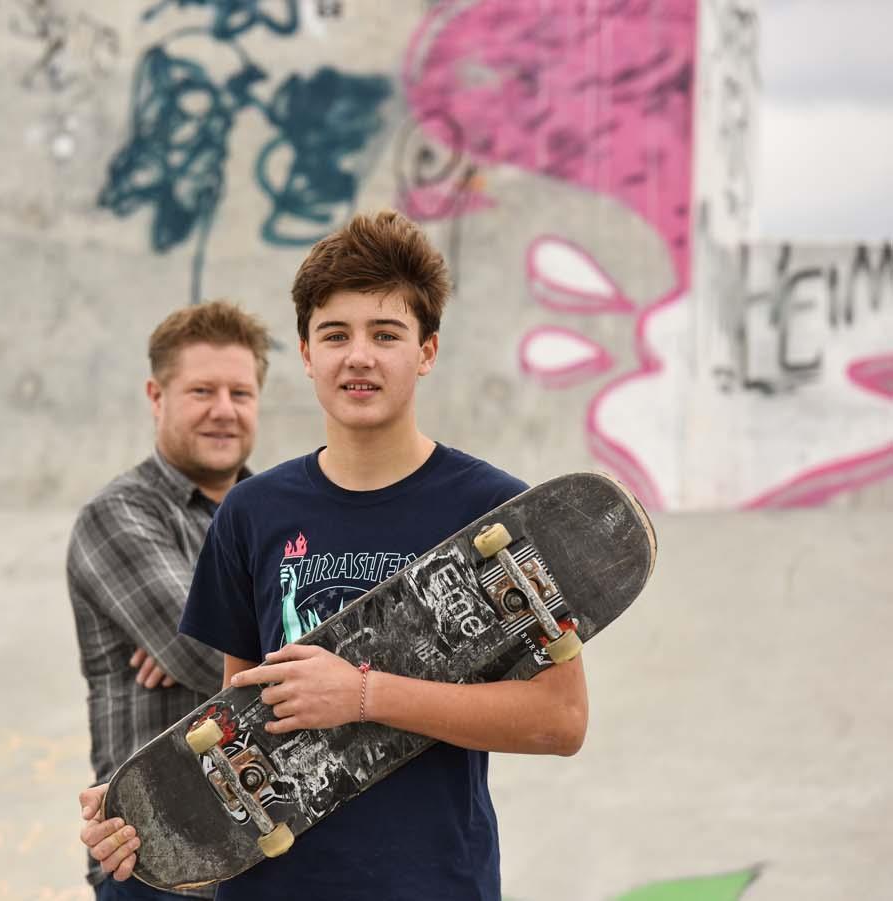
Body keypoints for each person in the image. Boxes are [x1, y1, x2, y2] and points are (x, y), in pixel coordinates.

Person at [80, 211, 589, 900]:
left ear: (427, 351)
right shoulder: (252, 512)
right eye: (336, 334)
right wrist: (143, 805)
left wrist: (363, 694)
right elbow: (239, 721)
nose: (359, 356)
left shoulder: (492, 509)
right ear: (306, 353)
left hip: (435, 882)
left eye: (386, 334)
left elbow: (560, 718)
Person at [68, 301, 273, 900]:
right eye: (201, 391)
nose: (224, 410)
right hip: (157, 865)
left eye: (240, 393)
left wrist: (223, 632)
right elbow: (204, 654)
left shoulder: (278, 514)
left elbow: (234, 652)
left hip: (267, 856)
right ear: (157, 396)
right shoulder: (119, 515)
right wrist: (226, 637)